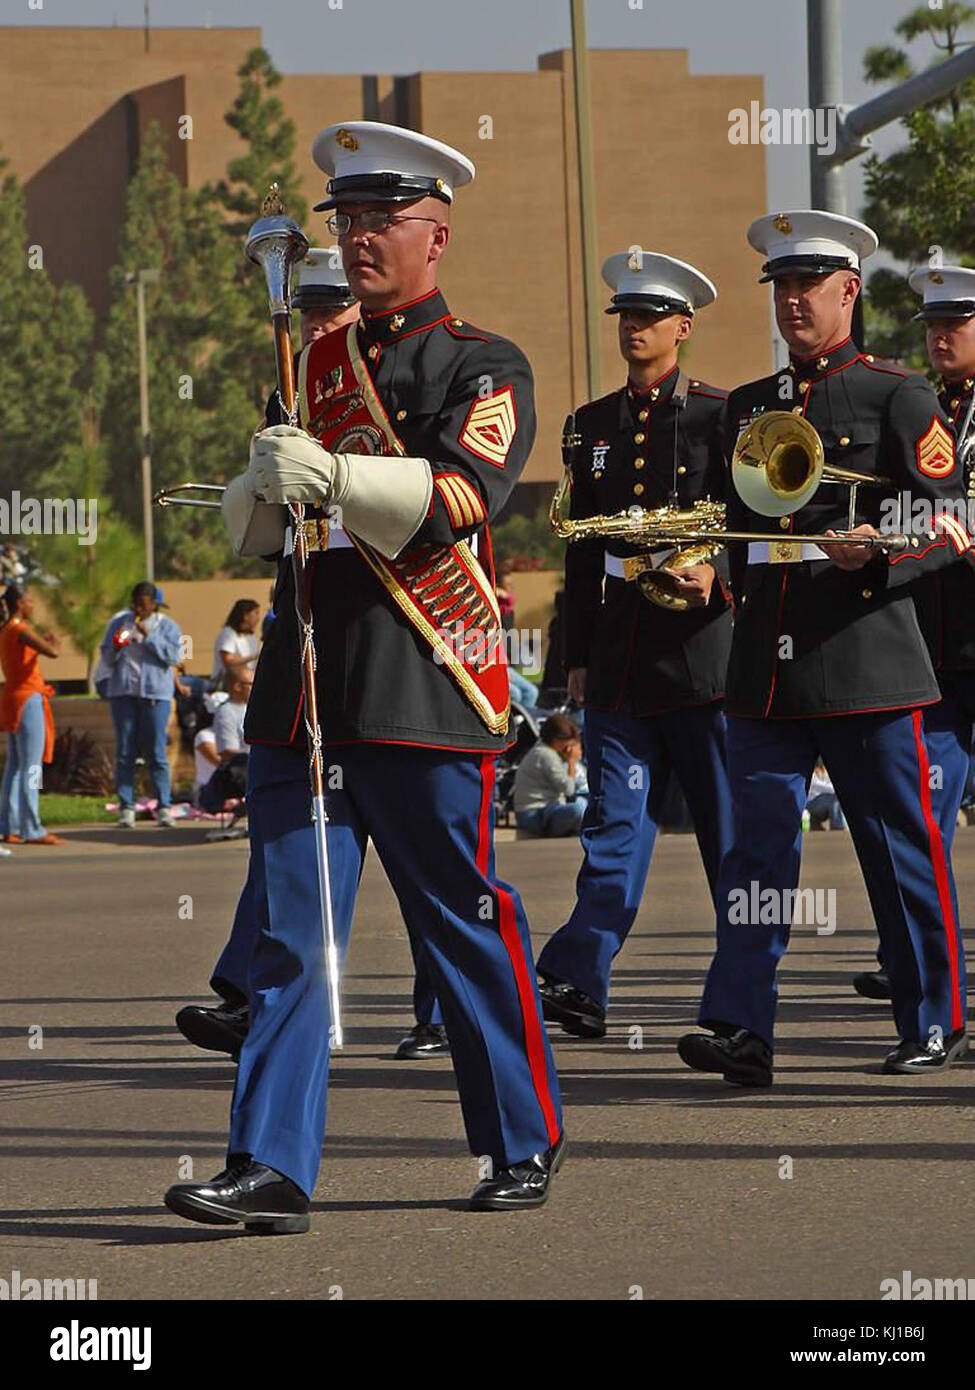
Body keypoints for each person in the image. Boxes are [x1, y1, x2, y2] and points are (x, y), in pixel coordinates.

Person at [164, 120, 563, 1235]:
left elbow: (463, 497)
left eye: (382, 217)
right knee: (294, 936)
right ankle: (272, 1165)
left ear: (436, 232)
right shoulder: (310, 366)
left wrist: (334, 471)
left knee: (461, 924)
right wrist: (262, 478)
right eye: (347, 217)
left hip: (425, 679)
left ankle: (520, 1135)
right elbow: (260, 540)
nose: (359, 235)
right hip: (307, 690)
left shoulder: (481, 363)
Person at [677, 210, 971, 1086]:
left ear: (849, 291)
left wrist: (880, 555)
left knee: (897, 847)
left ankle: (932, 1018)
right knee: (752, 855)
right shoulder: (750, 406)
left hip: (866, 657)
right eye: (781, 287)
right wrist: (707, 571)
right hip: (766, 668)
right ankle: (741, 1027)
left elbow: (950, 519)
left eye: (808, 285)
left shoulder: (896, 395)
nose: (793, 301)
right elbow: (738, 529)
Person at [535, 251, 734, 1039]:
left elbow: (756, 527)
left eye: (649, 316)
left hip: (704, 656)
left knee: (730, 841)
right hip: (619, 656)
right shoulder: (588, 426)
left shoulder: (724, 415)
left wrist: (715, 573)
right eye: (624, 315)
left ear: (682, 327)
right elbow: (580, 552)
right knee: (612, 832)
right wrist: (572, 661)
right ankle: (579, 980)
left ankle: (741, 1000)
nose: (634, 328)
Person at [853, 265, 975, 1001]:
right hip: (937, 642)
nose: (937, 338)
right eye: (931, 327)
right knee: (919, 812)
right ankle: (918, 961)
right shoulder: (924, 407)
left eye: (953, 325)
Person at [99, 583, 183, 829]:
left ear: (154, 604)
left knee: (156, 753)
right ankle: (126, 807)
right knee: (125, 752)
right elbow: (106, 657)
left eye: (144, 604)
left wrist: (148, 637)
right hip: (124, 693)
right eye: (135, 603)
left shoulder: (167, 626)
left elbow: (172, 657)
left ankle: (164, 806)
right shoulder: (120, 623)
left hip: (155, 695)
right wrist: (116, 646)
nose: (139, 608)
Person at [0, 584, 63, 846]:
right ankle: (32, 827)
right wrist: (53, 641)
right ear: (19, 604)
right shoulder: (20, 629)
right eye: (29, 601)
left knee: (15, 766)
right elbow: (54, 652)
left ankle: (9, 825)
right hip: (28, 698)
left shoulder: (6, 630)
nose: (32, 605)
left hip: (13, 697)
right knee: (32, 766)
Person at [514, 713, 588, 836]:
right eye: (567, 742)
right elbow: (568, 789)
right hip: (535, 816)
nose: (569, 747)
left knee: (585, 803)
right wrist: (571, 761)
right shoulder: (546, 755)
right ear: (556, 740)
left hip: (543, 812)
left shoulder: (544, 751)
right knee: (579, 808)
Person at [210, 600, 261, 687]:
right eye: (255, 613)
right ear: (245, 616)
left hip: (249, 681)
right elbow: (228, 660)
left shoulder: (251, 637)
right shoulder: (228, 634)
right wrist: (253, 657)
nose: (258, 618)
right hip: (228, 684)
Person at [805, 760, 844, 830]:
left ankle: (815, 823)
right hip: (810, 805)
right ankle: (837, 826)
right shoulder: (811, 775)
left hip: (821, 804)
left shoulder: (825, 774)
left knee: (835, 799)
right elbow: (825, 788)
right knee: (835, 798)